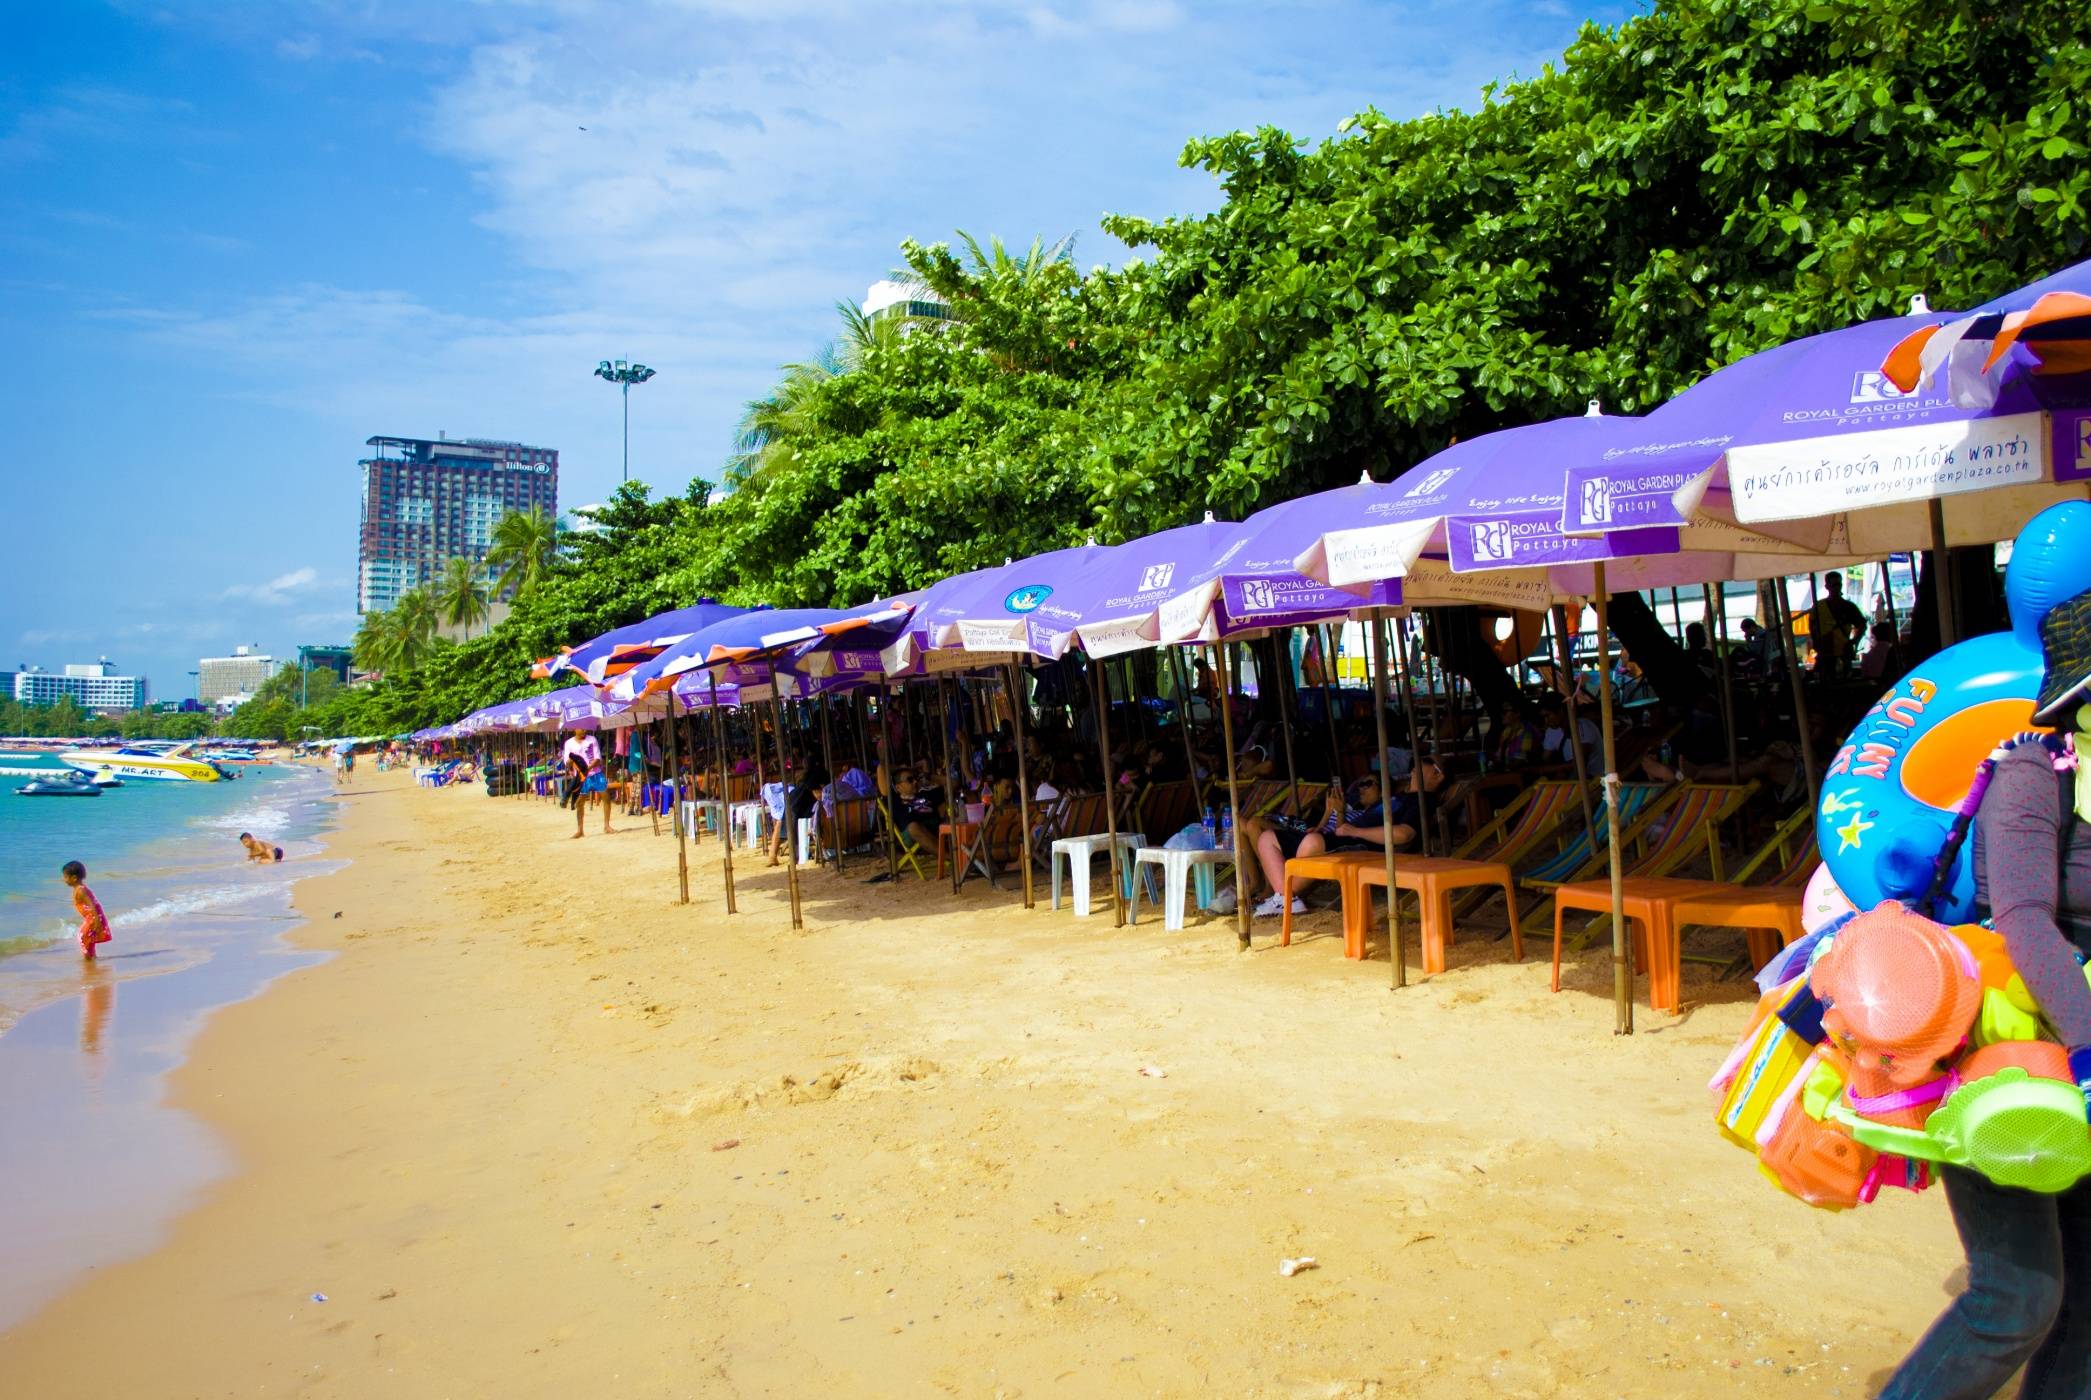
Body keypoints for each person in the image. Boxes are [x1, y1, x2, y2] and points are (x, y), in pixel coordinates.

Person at [1878, 590, 2091, 1399]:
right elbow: (2023, 921)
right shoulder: (2032, 774)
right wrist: (2088, 1047)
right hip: (2010, 1051)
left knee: (2084, 1300)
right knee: (2016, 1298)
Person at [1808, 571, 1867, 679]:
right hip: (1825, 653)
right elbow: (1812, 626)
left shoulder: (1848, 606)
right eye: (1833, 585)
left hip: (1843, 653)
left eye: (1839, 584)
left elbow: (1862, 625)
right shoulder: (1818, 606)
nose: (1837, 588)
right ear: (1827, 587)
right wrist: (1816, 642)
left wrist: (1853, 641)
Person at [563, 728, 612, 838]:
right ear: (575, 729)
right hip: (580, 777)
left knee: (606, 798)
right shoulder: (569, 743)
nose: (584, 730)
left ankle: (607, 826)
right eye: (582, 728)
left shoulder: (592, 739)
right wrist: (570, 761)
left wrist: (587, 768)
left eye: (585, 728)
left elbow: (598, 758)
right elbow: (567, 762)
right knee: (580, 802)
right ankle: (580, 830)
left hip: (596, 774)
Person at [62, 861, 112, 960]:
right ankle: (92, 957)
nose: (64, 880)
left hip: (94, 918)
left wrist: (97, 920)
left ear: (74, 878)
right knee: (89, 939)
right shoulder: (79, 889)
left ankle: (89, 959)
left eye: (66, 877)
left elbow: (91, 904)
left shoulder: (80, 890)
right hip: (92, 918)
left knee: (83, 937)